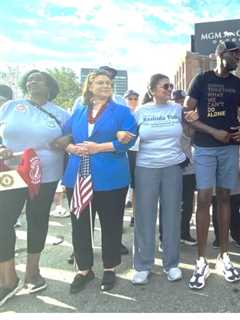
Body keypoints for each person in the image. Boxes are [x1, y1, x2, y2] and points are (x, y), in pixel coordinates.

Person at [62, 69, 137, 293]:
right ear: (90, 86)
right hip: (77, 175)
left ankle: (110, 268)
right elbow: (62, 135)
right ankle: (83, 269)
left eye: (108, 83)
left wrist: (99, 147)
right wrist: (69, 147)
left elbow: (128, 139)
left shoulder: (122, 112)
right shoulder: (78, 112)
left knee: (111, 224)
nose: (106, 86)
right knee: (80, 223)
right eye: (100, 82)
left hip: (111, 177)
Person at [183, 40, 240, 290]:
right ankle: (201, 261)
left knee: (224, 198)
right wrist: (213, 131)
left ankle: (224, 256)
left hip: (230, 149)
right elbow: (186, 113)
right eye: (235, 54)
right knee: (203, 198)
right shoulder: (201, 79)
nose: (238, 59)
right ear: (221, 55)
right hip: (204, 148)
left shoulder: (239, 84)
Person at [0, 70, 70, 306]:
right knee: (3, 221)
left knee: (37, 220)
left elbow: (73, 135)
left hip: (45, 175)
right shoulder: (10, 106)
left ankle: (33, 273)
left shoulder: (61, 113)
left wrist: (66, 139)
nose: (32, 81)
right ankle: (8, 279)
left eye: (38, 78)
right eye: (29, 78)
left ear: (49, 85)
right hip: (10, 173)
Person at [131, 74, 186, 285]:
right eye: (165, 86)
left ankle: (171, 264)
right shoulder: (141, 111)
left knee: (172, 216)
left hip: (172, 167)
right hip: (146, 167)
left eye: (171, 85)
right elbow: (130, 136)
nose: (169, 89)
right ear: (153, 89)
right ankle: (143, 265)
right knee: (144, 216)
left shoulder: (177, 109)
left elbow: (190, 128)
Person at [172, 89, 197, 245]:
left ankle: (185, 233)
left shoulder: (191, 120)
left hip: (189, 168)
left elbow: (196, 141)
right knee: (171, 204)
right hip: (170, 167)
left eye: (183, 100)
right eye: (177, 100)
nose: (180, 103)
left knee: (187, 203)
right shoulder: (168, 120)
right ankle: (169, 236)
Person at [124, 89, 139, 226]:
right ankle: (119, 219)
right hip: (124, 152)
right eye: (130, 98)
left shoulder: (140, 113)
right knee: (122, 185)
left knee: (135, 186)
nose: (133, 101)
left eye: (135, 98)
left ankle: (135, 215)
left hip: (137, 152)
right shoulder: (122, 113)